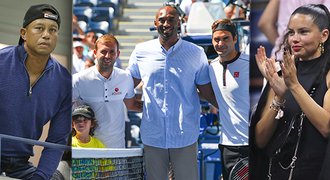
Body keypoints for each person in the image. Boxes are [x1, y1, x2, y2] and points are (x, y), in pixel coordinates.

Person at [127, 5, 218, 180]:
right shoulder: (140, 51)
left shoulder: (196, 52)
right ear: (155, 23)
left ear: (180, 22)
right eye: (161, 19)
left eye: (171, 19)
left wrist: (231, 111)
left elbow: (207, 92)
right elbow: (127, 85)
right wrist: (129, 103)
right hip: (153, 134)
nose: (166, 23)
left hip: (185, 135)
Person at [250, 4, 330, 179]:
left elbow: (326, 127)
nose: (295, 38)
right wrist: (279, 96)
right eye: (291, 32)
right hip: (278, 171)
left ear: (324, 36)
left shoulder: (327, 74)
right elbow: (260, 140)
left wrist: (293, 86)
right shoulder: (281, 74)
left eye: (303, 32)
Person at [0, 4, 71, 179]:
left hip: (21, 165)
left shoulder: (65, 81)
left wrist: (41, 176)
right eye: (39, 28)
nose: (46, 35)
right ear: (23, 33)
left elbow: (56, 140)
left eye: (53, 30)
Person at [72, 34, 141, 148]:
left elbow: (132, 105)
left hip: (116, 148)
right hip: (86, 149)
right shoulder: (78, 80)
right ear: (95, 53)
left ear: (118, 54)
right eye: (103, 52)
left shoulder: (125, 77)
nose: (107, 56)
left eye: (112, 52)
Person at [208, 19, 249, 180]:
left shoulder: (251, 64)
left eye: (225, 38)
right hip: (227, 146)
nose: (220, 43)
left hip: (252, 143)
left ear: (235, 39)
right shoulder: (211, 67)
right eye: (216, 39)